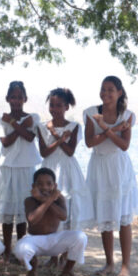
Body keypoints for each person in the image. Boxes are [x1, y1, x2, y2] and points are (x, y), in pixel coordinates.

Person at [84, 75, 138, 276]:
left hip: (118, 167)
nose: (105, 94)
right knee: (105, 216)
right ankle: (109, 263)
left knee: (124, 217)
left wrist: (106, 128)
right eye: (103, 89)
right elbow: (90, 142)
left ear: (119, 93)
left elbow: (123, 145)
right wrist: (114, 129)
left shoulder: (128, 115)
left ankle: (125, 267)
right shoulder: (90, 113)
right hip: (99, 166)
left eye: (110, 90)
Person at [0, 81, 41, 262]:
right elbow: (6, 142)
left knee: (22, 210)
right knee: (7, 211)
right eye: (13, 97)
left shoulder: (33, 117)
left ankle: (20, 248)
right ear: (8, 99)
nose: (16, 100)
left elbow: (30, 137)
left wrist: (13, 123)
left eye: (20, 97)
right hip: (7, 168)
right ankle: (6, 249)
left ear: (25, 99)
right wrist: (18, 124)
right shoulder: (2, 120)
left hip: (25, 167)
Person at [13, 168, 88, 276]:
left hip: (55, 240)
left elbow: (63, 216)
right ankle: (32, 270)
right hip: (35, 241)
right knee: (20, 250)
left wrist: (45, 199)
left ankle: (67, 271)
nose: (44, 187)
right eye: (40, 184)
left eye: (49, 184)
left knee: (80, 237)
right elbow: (32, 219)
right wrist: (47, 199)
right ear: (34, 186)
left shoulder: (60, 199)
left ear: (55, 185)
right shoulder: (29, 200)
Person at [37, 88, 93, 232]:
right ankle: (53, 249)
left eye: (59, 105)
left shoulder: (74, 127)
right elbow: (44, 153)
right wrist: (60, 138)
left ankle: (66, 249)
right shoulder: (42, 127)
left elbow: (69, 151)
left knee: (68, 204)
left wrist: (55, 134)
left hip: (67, 168)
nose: (54, 109)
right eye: (52, 105)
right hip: (50, 167)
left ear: (66, 107)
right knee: (50, 202)